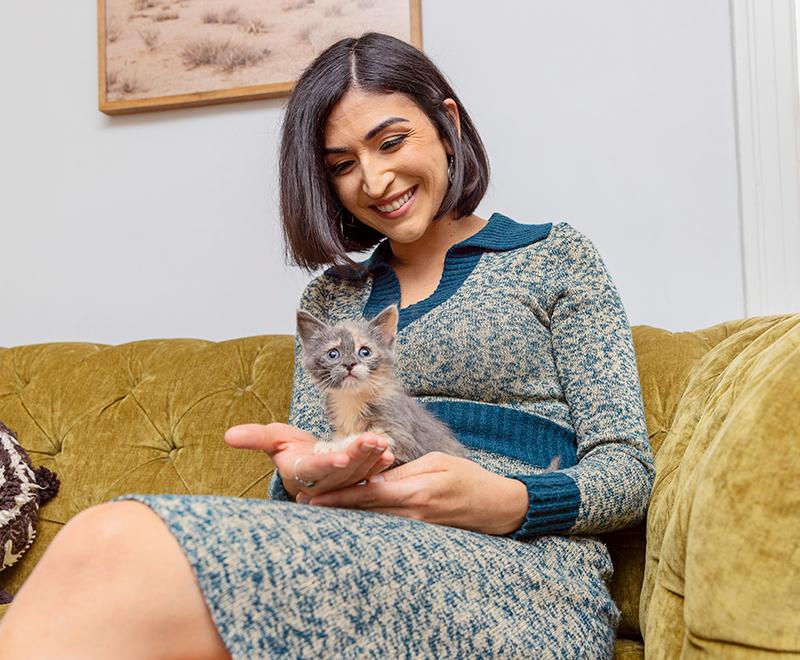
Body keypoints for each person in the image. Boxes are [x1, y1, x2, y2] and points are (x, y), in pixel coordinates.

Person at [0, 33, 655, 659]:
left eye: (390, 141)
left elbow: (627, 470)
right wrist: (304, 476)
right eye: (343, 166)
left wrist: (505, 499)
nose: (373, 181)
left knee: (118, 539)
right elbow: (309, 482)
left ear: (447, 124)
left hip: (523, 576)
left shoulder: (553, 257)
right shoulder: (330, 301)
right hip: (359, 546)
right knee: (106, 537)